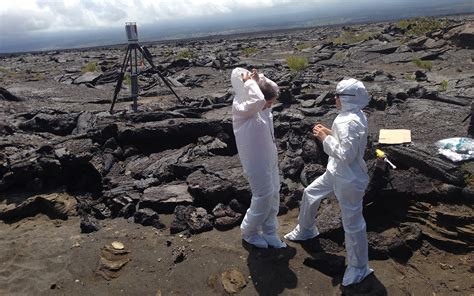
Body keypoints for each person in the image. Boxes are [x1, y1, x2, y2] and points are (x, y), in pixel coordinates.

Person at [284, 78, 373, 286]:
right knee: (310, 192)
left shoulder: (348, 121)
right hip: (336, 171)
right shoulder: (354, 115)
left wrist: (325, 139)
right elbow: (347, 144)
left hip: (349, 177)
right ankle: (306, 229)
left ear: (347, 99)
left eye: (338, 95)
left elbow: (346, 154)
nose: (335, 99)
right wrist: (330, 133)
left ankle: (359, 268)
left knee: (353, 223)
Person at [231, 67, 286, 249]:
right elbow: (259, 99)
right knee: (263, 196)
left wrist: (258, 78)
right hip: (255, 161)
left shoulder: (261, 106)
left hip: (269, 157)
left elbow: (272, 89)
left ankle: (269, 231)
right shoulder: (242, 107)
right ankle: (249, 231)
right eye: (269, 103)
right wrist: (249, 83)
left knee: (274, 193)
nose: (269, 106)